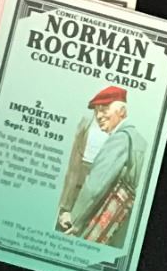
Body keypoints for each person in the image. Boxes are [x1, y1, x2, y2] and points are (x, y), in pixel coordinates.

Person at [57, 85, 147, 247]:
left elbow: (94, 187)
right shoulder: (139, 141)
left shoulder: (119, 139)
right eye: (96, 111)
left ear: (122, 111)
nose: (98, 116)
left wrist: (74, 219)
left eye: (105, 109)